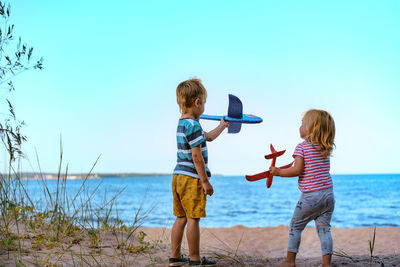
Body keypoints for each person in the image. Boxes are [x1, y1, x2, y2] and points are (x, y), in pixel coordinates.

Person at [169, 78, 229, 266]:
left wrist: (222, 125)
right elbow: (197, 156)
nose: (204, 107)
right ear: (197, 103)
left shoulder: (184, 124)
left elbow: (207, 138)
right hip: (191, 178)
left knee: (181, 217)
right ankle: (195, 259)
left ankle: (175, 257)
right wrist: (204, 181)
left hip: (178, 176)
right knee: (193, 219)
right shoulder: (194, 125)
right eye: (204, 103)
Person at [270, 109, 336, 267]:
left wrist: (278, 172)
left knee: (295, 227)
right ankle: (327, 264)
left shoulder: (302, 147)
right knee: (324, 229)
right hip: (328, 195)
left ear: (311, 129)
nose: (299, 127)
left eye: (302, 124)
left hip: (310, 197)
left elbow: (296, 170)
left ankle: (290, 261)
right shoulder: (325, 148)